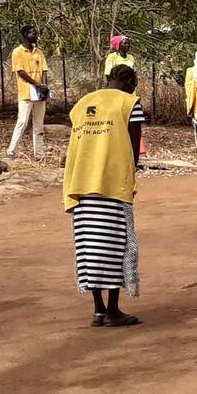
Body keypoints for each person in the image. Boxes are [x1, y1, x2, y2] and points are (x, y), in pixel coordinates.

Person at [63, 63, 145, 328]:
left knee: (90, 246)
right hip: (112, 183)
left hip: (80, 181)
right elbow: (134, 148)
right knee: (115, 246)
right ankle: (113, 311)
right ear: (130, 81)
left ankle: (98, 309)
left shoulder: (82, 104)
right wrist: (131, 174)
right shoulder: (129, 103)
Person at [6, 24, 50, 161]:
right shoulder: (17, 52)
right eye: (33, 34)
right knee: (22, 122)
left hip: (39, 93)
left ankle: (39, 154)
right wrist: (37, 85)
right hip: (26, 92)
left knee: (39, 124)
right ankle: (11, 151)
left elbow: (44, 71)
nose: (36, 36)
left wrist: (44, 86)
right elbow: (20, 72)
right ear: (25, 35)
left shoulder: (39, 52)